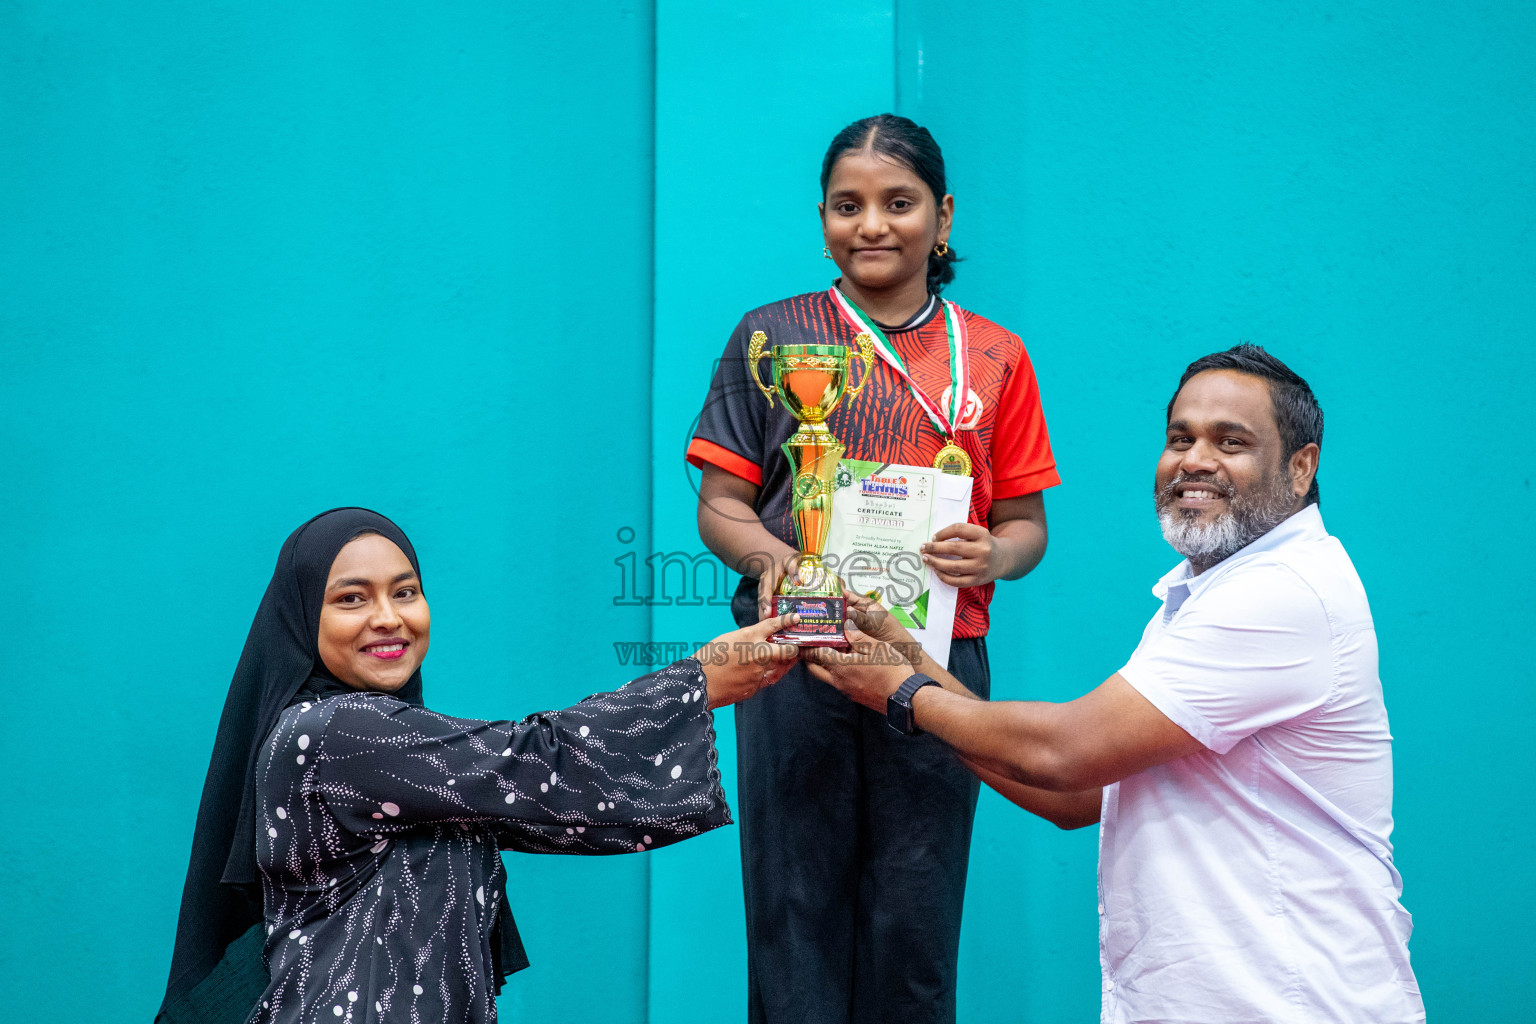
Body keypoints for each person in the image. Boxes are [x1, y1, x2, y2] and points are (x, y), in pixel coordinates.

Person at [808, 345, 1424, 1023]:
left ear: (1301, 468)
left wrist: (900, 691)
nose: (1194, 460)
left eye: (1232, 442)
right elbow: (1077, 795)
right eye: (1180, 438)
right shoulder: (1209, 592)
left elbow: (1064, 752)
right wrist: (912, 661)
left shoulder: (1281, 592)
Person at [687, 113, 1060, 1024]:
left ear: (944, 215)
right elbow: (720, 505)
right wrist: (774, 558)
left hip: (933, 661)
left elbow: (1025, 527)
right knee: (794, 908)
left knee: (916, 915)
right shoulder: (768, 339)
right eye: (848, 206)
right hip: (793, 655)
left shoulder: (999, 357)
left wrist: (994, 552)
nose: (874, 225)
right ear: (821, 217)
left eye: (900, 203)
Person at [157, 507, 798, 1024]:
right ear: (303, 622)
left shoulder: (393, 749)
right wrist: (701, 681)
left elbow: (551, 806)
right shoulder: (334, 732)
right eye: (351, 599)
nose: (388, 618)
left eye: (405, 592)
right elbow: (533, 765)